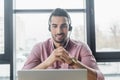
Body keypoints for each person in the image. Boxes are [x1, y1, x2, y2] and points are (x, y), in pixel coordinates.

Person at [22, 8, 104, 80]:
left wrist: (73, 62)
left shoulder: (81, 47)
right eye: (54, 26)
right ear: (49, 28)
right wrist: (47, 62)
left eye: (63, 26)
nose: (59, 31)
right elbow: (23, 78)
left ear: (69, 28)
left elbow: (98, 78)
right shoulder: (39, 48)